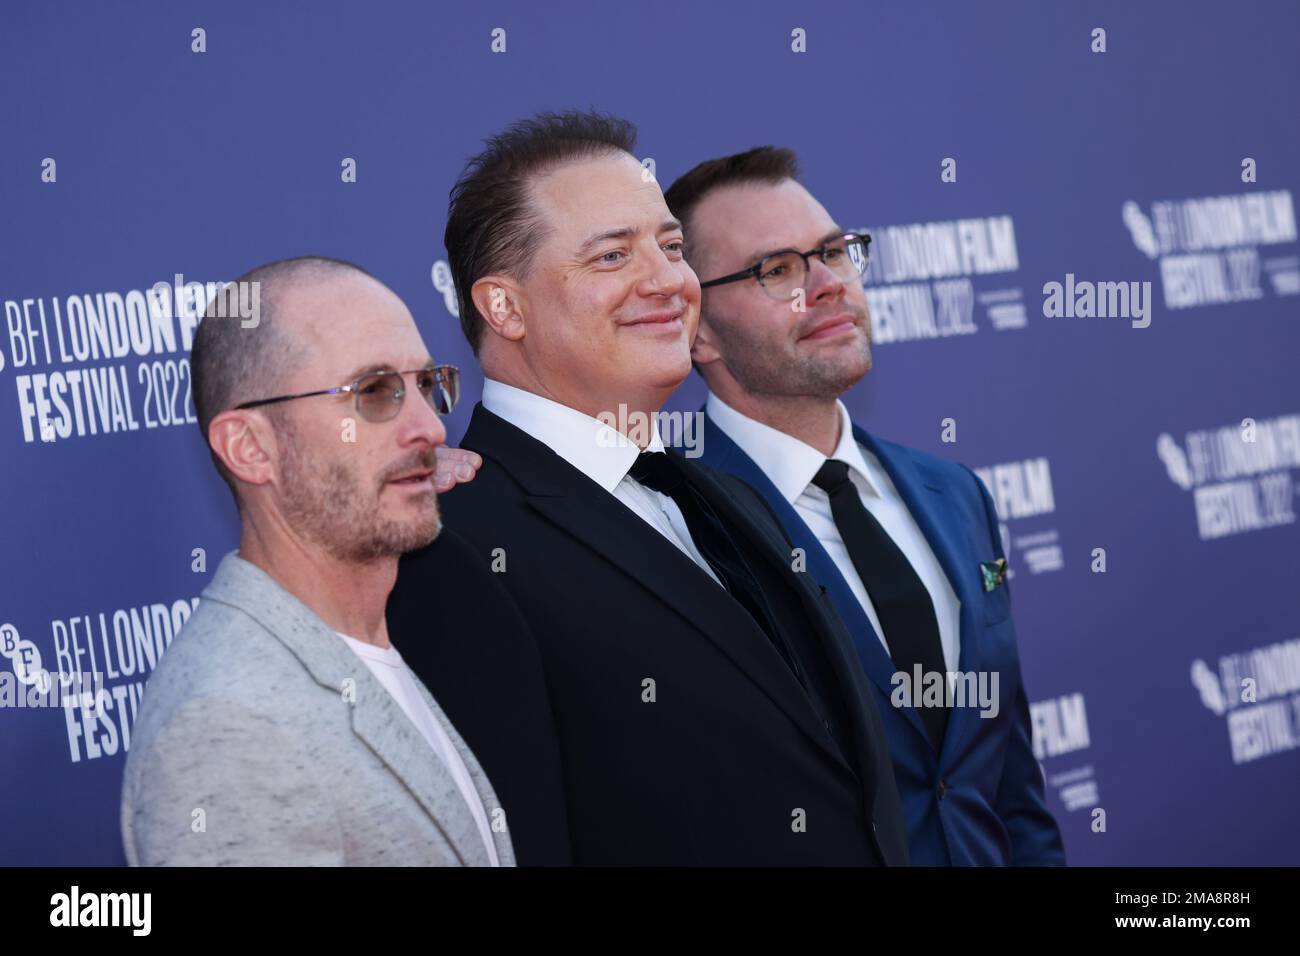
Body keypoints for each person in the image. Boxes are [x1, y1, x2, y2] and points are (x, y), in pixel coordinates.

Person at [389, 112, 909, 866]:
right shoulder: (456, 544)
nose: (668, 280)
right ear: (504, 307)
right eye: (610, 257)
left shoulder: (729, 498)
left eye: (671, 247)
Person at [663, 147, 1066, 865]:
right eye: (776, 270)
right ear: (698, 331)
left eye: (834, 253)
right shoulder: (674, 526)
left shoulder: (955, 494)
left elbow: (1007, 783)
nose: (825, 286)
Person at [120, 256, 513, 866]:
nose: (429, 427)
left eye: (427, 384)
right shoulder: (229, 729)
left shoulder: (380, 648)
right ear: (250, 448)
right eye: (375, 392)